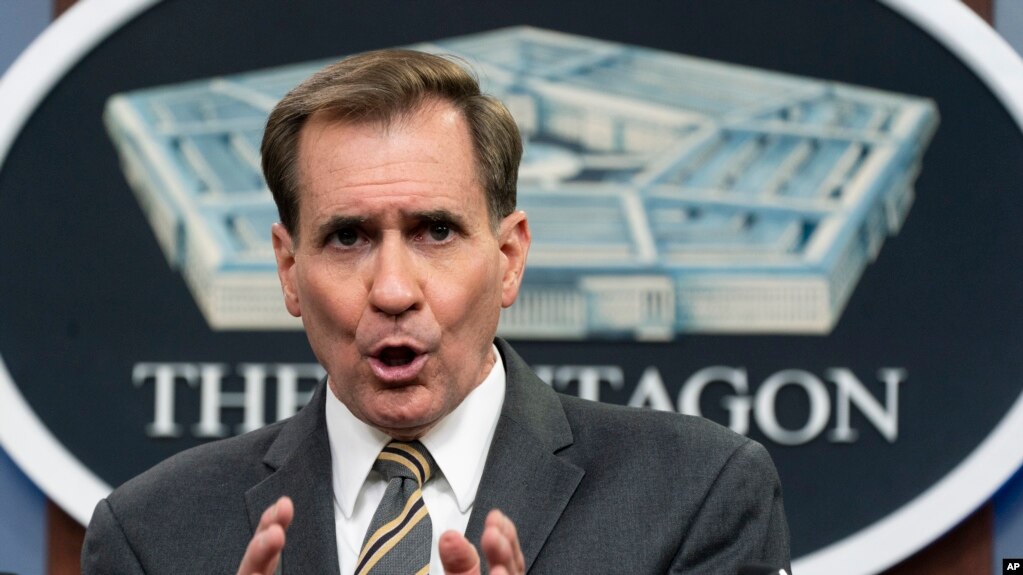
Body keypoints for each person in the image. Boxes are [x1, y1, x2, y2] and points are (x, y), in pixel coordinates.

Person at [82, 49, 790, 574]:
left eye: (436, 231)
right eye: (348, 237)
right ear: (289, 270)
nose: (393, 289)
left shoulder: (697, 493)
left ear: (508, 257)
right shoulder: (150, 535)